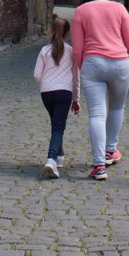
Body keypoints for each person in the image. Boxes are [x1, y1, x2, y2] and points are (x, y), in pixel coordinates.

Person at [71, 0, 129, 180]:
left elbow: (77, 49)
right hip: (120, 63)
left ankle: (98, 166)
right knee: (117, 107)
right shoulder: (120, 9)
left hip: (92, 63)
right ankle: (110, 150)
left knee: (96, 114)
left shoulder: (80, 11)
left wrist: (83, 67)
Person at [34, 15, 81, 179]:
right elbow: (76, 77)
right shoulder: (71, 52)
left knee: (56, 123)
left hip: (46, 93)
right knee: (58, 126)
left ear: (51, 32)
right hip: (64, 92)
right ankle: (52, 158)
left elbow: (37, 76)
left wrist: (47, 81)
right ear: (67, 34)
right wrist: (76, 99)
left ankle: (59, 155)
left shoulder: (44, 51)